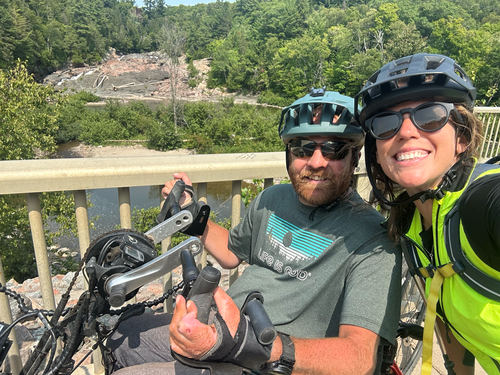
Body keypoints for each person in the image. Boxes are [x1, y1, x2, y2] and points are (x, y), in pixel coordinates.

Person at [107, 89, 402, 375]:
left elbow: (359, 360)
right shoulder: (272, 199)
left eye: (333, 149)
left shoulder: (374, 240)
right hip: (223, 325)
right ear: (288, 153)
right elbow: (231, 254)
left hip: (277, 360)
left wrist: (258, 345)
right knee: (122, 336)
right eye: (302, 148)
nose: (316, 162)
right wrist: (193, 216)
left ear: (355, 156)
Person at [354, 53, 500, 375]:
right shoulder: (409, 225)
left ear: (461, 138)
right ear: (376, 151)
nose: (405, 131)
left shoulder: (482, 202)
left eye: (430, 116)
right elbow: (451, 324)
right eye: (385, 123)